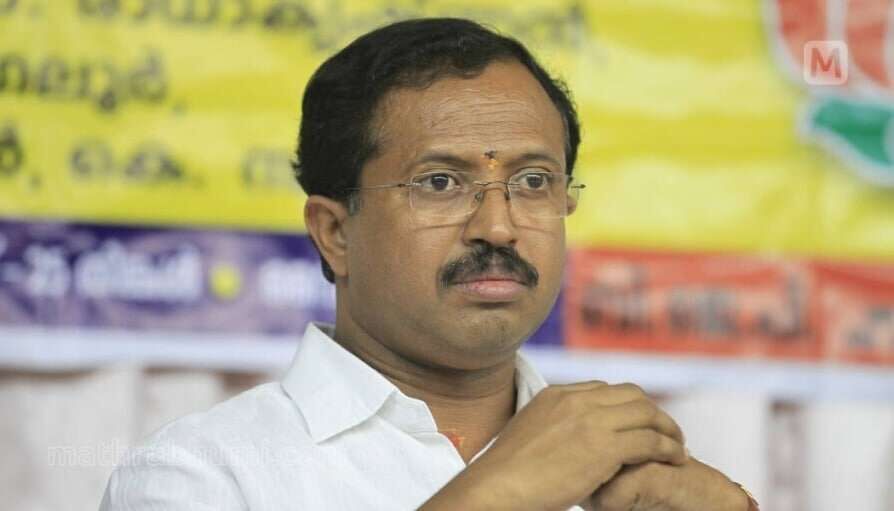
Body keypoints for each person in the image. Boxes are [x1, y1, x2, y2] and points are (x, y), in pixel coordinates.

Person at [100, 17, 758, 510]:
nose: (498, 225)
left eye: (533, 181)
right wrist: (504, 491)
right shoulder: (199, 474)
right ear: (335, 232)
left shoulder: (630, 469)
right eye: (440, 183)